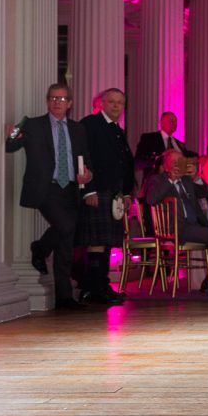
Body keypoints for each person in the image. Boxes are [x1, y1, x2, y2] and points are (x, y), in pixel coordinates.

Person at [5, 83, 94, 310]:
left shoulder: (78, 129)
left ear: (70, 104)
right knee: (65, 227)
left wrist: (88, 175)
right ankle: (40, 248)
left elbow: (86, 160)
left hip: (71, 189)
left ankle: (64, 297)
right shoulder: (33, 124)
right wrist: (12, 133)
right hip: (46, 189)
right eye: (53, 98)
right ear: (47, 101)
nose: (57, 102)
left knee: (66, 243)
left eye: (62, 99)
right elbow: (11, 145)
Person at [77, 88, 134, 305]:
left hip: (114, 194)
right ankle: (91, 289)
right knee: (96, 241)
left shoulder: (117, 130)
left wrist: (126, 192)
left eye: (120, 102)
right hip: (97, 191)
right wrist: (89, 190)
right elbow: (82, 157)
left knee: (107, 242)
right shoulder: (90, 124)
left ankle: (101, 285)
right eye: (112, 102)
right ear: (102, 103)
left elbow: (125, 163)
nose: (116, 106)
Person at [146, 149, 208, 293]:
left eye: (181, 162)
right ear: (167, 165)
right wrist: (171, 180)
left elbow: (206, 192)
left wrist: (196, 177)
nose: (178, 166)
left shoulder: (187, 180)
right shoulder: (158, 179)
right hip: (175, 227)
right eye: (175, 162)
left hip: (193, 226)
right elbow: (151, 199)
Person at [134, 111, 186, 178]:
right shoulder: (149, 138)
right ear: (161, 123)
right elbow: (138, 161)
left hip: (178, 184)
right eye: (171, 121)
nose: (174, 123)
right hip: (156, 183)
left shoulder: (180, 144)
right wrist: (159, 160)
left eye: (176, 121)